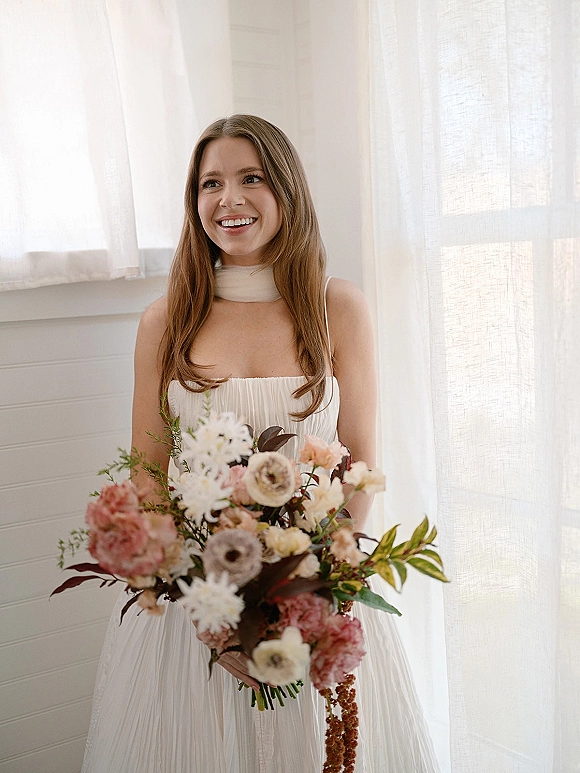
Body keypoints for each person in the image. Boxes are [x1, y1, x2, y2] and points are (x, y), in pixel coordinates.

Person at [82, 115, 439, 773]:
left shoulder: (338, 308)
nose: (229, 199)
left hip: (316, 591)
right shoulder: (166, 319)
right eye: (210, 182)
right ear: (194, 203)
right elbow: (148, 466)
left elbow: (360, 457)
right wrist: (211, 611)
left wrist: (312, 590)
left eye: (251, 177)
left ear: (287, 191)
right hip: (197, 602)